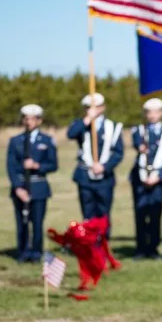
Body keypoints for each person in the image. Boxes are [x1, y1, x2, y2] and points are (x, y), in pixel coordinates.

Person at [66, 92, 124, 237]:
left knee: (103, 212)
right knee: (88, 212)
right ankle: (89, 243)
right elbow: (71, 134)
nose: (92, 110)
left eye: (95, 107)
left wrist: (104, 166)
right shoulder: (80, 125)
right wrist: (87, 119)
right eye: (88, 108)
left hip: (104, 177)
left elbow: (118, 152)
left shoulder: (113, 127)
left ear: (102, 108)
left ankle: (103, 242)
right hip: (85, 176)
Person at [6, 104, 58, 263]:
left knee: (37, 223)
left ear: (39, 120)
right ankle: (22, 252)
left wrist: (37, 166)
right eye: (26, 118)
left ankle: (36, 252)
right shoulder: (15, 141)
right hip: (21, 187)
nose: (28, 122)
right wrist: (17, 188)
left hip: (38, 187)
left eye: (32, 119)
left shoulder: (47, 141)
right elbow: (11, 166)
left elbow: (53, 164)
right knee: (21, 223)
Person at [130, 97, 162, 259]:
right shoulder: (139, 131)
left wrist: (159, 176)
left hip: (157, 180)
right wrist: (140, 146)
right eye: (149, 112)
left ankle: (153, 247)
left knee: (155, 214)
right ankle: (141, 248)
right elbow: (137, 144)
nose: (152, 115)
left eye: (156, 112)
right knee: (140, 214)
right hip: (140, 179)